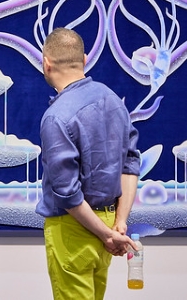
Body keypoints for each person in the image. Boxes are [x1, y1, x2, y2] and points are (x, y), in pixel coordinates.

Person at [35, 27, 141, 300]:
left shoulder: (56, 116)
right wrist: (118, 224)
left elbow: (67, 193)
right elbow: (130, 163)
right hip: (110, 222)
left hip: (73, 227)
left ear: (46, 64)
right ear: (84, 60)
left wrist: (107, 235)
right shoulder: (114, 101)